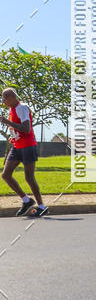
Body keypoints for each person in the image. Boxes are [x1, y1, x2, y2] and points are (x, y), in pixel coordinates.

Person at [0, 87, 48, 216]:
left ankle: (42, 206)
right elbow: (19, 129)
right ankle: (26, 200)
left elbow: (26, 129)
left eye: (4, 98)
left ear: (12, 97)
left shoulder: (22, 108)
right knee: (5, 175)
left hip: (28, 146)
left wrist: (6, 121)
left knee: (29, 177)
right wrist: (13, 136)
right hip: (17, 146)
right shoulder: (12, 109)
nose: (3, 101)